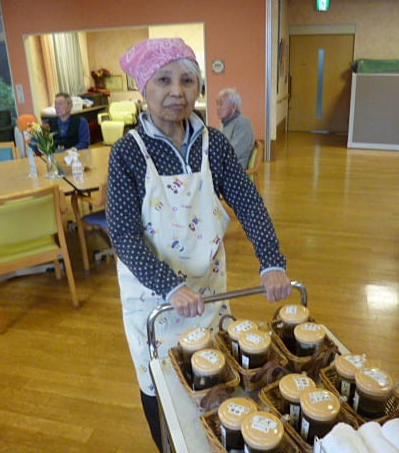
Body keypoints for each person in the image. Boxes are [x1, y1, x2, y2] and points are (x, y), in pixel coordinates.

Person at [107, 38, 291, 451]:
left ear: (199, 88)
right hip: (152, 297)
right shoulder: (127, 153)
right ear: (144, 88)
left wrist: (271, 262)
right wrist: (168, 284)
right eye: (164, 80)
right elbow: (122, 233)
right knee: (161, 383)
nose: (177, 91)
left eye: (188, 80)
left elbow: (249, 203)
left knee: (213, 373)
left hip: (208, 288)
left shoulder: (214, 144)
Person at [216, 88, 255, 169]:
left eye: (221, 104)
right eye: (217, 104)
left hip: (233, 172)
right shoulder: (225, 123)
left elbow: (231, 153)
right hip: (222, 167)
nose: (217, 108)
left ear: (234, 107)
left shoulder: (243, 124)